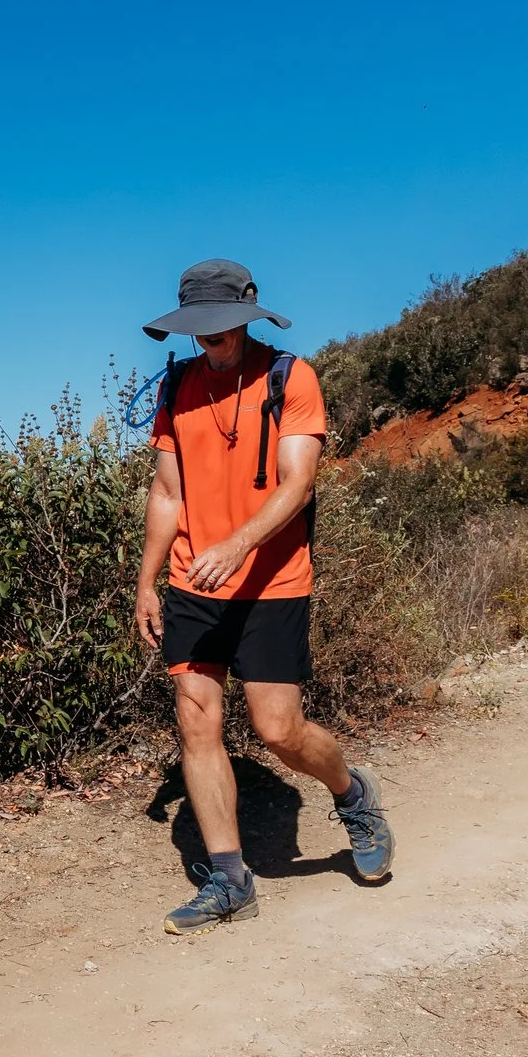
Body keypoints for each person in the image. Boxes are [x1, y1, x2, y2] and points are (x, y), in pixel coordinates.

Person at [132, 259, 397, 935]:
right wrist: (146, 580)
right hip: (195, 579)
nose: (211, 344)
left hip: (272, 579)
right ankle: (230, 879)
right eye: (201, 333)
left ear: (247, 319)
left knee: (278, 729)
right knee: (196, 717)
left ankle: (351, 792)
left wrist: (239, 544)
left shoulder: (291, 378)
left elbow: (296, 484)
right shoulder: (179, 386)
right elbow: (167, 493)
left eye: (222, 331)